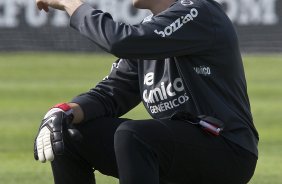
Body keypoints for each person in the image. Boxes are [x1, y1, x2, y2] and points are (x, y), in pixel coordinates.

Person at [33, 0, 259, 184]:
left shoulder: (200, 12)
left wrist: (70, 4)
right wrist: (62, 112)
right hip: (176, 150)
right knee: (66, 133)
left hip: (227, 149)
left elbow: (122, 41)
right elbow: (109, 94)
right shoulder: (150, 31)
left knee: (133, 135)